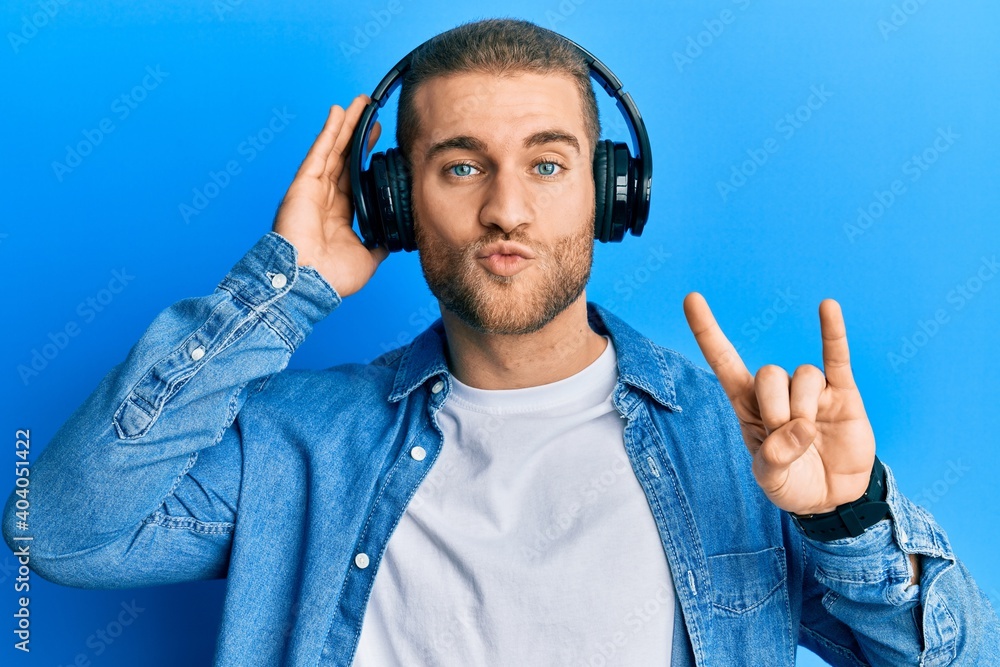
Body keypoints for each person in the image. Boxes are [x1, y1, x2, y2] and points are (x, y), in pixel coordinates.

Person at [3, 17, 998, 667]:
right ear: (393, 205)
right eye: (460, 167)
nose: (507, 209)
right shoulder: (294, 443)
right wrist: (284, 285)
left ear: (613, 192)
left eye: (549, 164)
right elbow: (62, 533)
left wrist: (848, 520)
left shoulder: (734, 449)